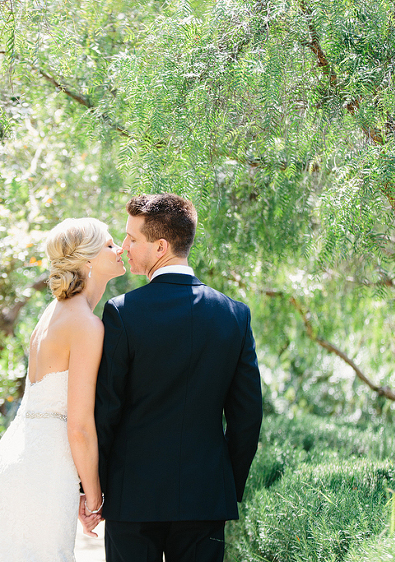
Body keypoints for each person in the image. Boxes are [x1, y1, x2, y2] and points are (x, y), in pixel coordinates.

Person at [91, 193, 262, 562]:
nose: (124, 247)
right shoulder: (235, 315)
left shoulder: (122, 313)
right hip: (206, 497)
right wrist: (223, 485)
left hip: (131, 498)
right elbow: (248, 416)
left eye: (132, 239)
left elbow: (107, 410)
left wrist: (94, 489)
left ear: (161, 247)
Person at [0, 217, 125, 562]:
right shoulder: (87, 325)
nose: (120, 248)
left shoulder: (53, 313)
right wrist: (94, 496)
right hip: (44, 472)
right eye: (110, 244)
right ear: (88, 259)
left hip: (14, 459)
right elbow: (78, 426)